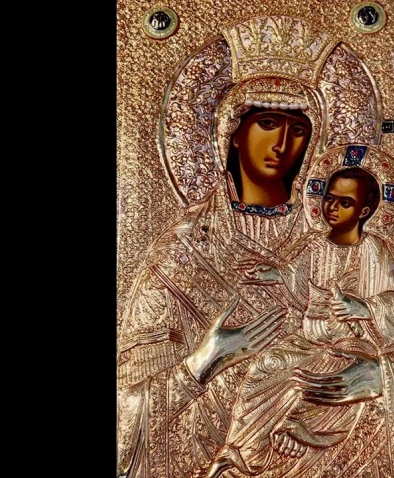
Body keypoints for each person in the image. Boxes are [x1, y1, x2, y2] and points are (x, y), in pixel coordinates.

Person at [117, 77, 361, 477]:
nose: (282, 144)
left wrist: (362, 379)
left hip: (312, 441)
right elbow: (126, 411)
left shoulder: (334, 242)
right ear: (232, 132)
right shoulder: (185, 247)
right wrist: (208, 358)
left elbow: (379, 340)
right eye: (268, 123)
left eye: (298, 130)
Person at [198, 162, 394, 478]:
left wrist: (366, 307)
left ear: (364, 211)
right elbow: (297, 278)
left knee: (312, 384)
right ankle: (241, 452)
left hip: (350, 345)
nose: (332, 207)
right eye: (330, 198)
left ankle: (294, 430)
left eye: (345, 202)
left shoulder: (374, 250)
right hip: (307, 341)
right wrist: (275, 274)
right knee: (264, 367)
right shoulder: (314, 244)